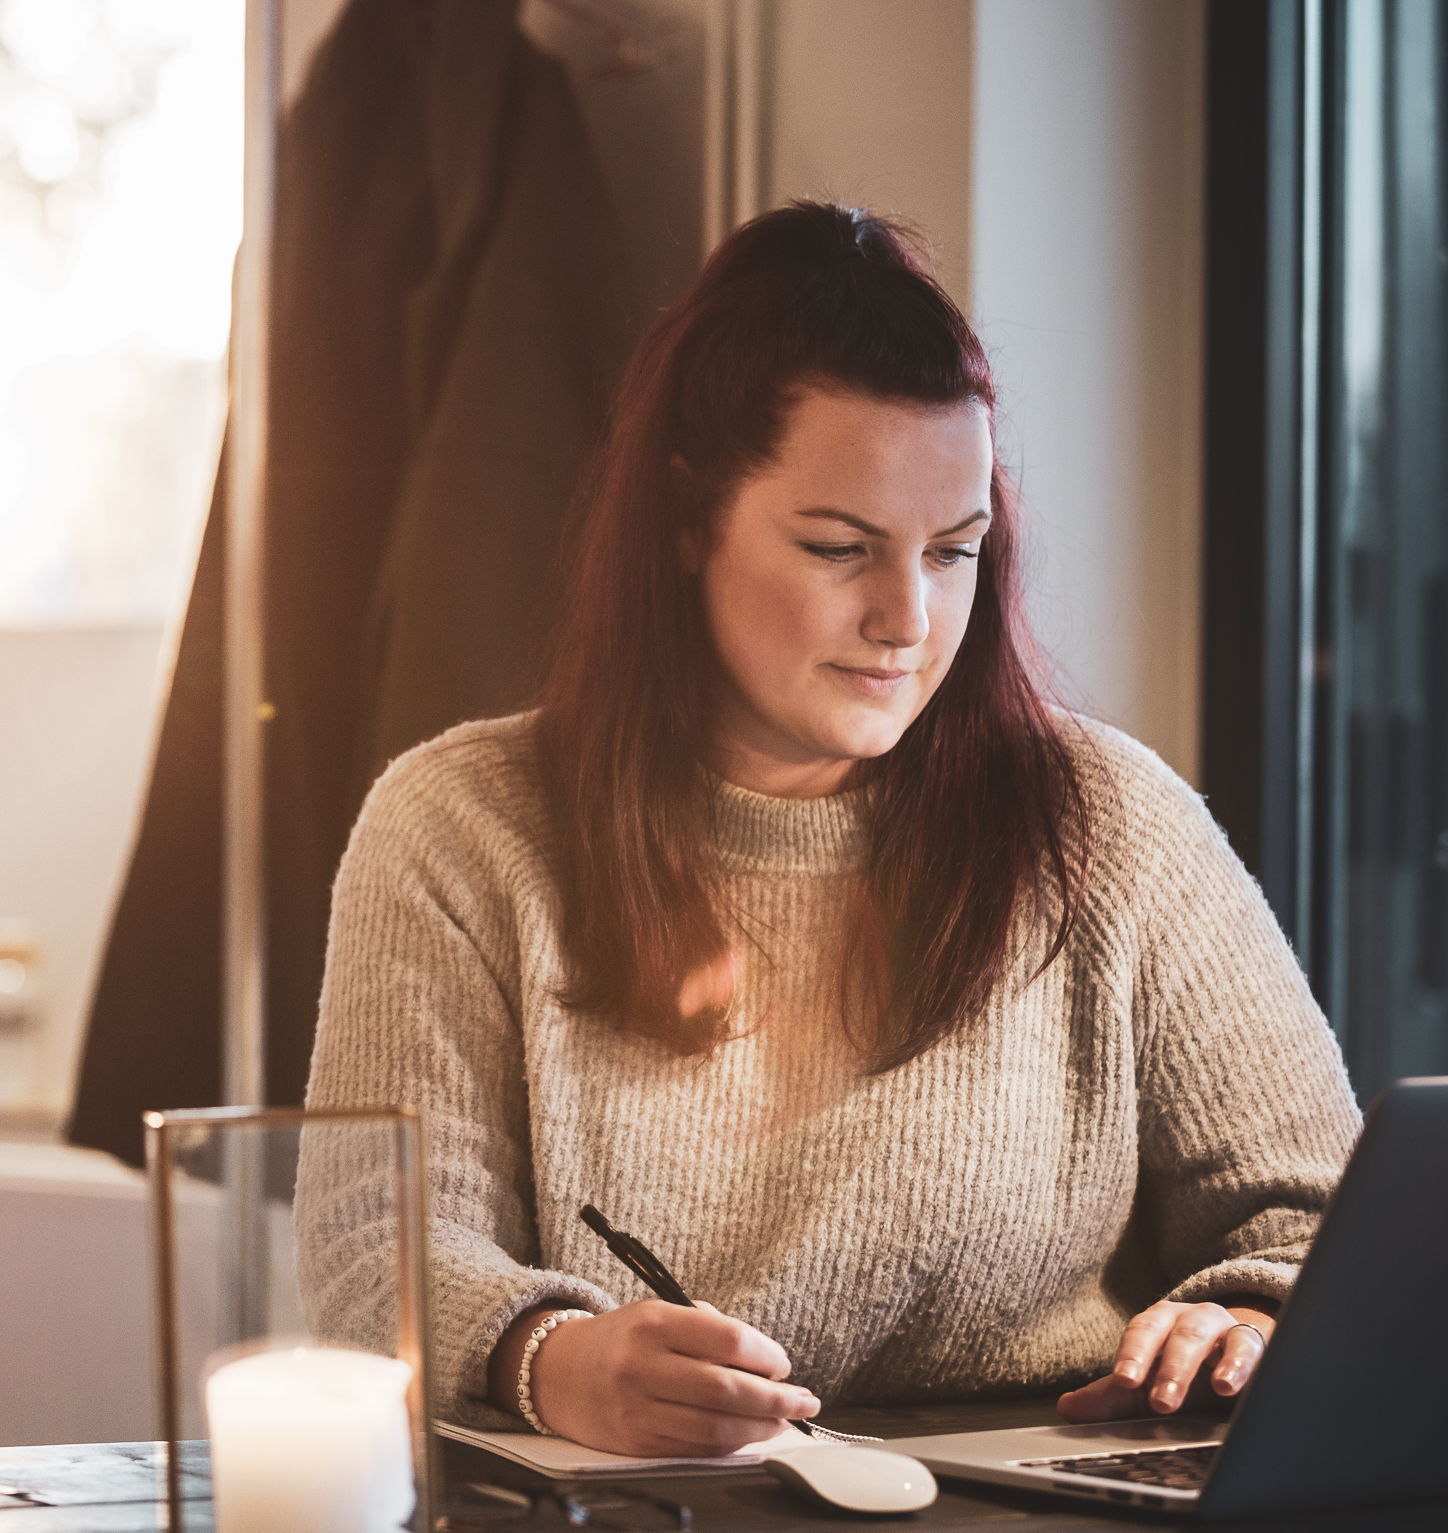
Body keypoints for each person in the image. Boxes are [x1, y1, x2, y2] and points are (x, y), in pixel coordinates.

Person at [295, 202, 1361, 1458]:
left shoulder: (1111, 824)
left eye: (953, 553)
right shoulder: (462, 826)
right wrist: (547, 1358)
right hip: (651, 1494)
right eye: (837, 548)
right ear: (687, 520)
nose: (906, 619)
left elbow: (1327, 1224)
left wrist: (1250, 1314)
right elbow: (376, 1252)